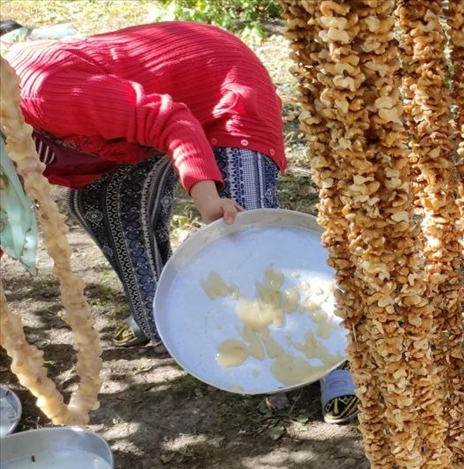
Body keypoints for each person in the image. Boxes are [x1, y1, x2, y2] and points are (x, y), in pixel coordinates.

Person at [3, 21, 359, 423]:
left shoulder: (39, 91)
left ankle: (335, 358)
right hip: (130, 136)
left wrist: (207, 198)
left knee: (249, 237)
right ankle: (162, 317)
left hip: (217, 86)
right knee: (100, 203)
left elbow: (169, 119)